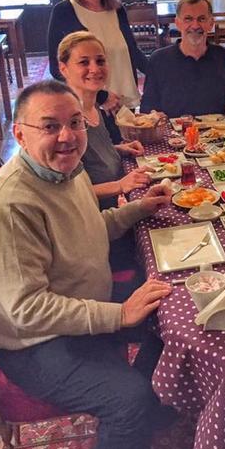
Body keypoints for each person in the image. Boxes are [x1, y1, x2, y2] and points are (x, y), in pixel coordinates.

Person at [0, 80, 174, 449]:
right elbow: (27, 310)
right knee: (129, 400)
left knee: (175, 312)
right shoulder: (13, 204)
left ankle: (152, 418)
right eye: (49, 126)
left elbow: (88, 230)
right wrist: (117, 316)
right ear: (20, 134)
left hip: (78, 309)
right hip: (33, 343)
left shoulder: (67, 170)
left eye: (73, 124)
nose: (66, 136)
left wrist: (136, 209)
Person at [58, 31, 153, 281]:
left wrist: (118, 149)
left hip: (113, 210)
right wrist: (121, 185)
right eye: (84, 62)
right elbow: (67, 193)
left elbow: (95, 153)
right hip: (93, 228)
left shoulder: (93, 108)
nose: (94, 68)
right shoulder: (67, 121)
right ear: (63, 68)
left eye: (100, 61)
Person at [47, 0, 148, 112]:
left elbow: (133, 53)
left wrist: (162, 72)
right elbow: (57, 67)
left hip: (125, 104)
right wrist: (101, 96)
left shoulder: (118, 10)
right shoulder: (63, 12)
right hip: (91, 107)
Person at [141, 0, 225, 117]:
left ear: (211, 24)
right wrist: (154, 114)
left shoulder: (220, 55)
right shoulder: (158, 60)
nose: (195, 26)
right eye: (188, 19)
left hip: (217, 133)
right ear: (177, 23)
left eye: (201, 19)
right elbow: (146, 108)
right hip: (174, 135)